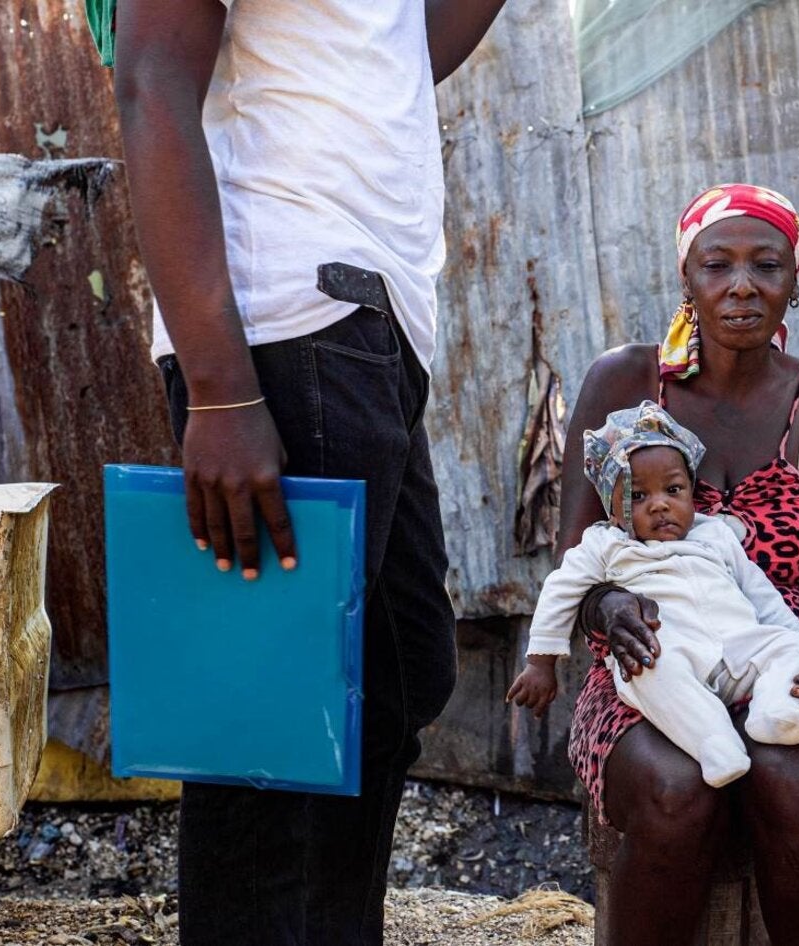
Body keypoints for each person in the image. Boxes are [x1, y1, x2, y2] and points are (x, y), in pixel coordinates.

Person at [113, 1, 508, 942]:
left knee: (403, 672)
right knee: (267, 725)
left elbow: (401, 57)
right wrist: (218, 389)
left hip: (371, 319)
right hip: (285, 323)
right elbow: (152, 80)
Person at [555, 183, 799, 946]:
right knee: (676, 788)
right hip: (649, 659)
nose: (741, 286)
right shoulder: (625, 383)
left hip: (779, 653)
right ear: (687, 280)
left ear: (794, 279)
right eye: (717, 266)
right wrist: (604, 607)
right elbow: (573, 552)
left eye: (766, 265)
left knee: (794, 779)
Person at [508, 401, 799, 787]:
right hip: (669, 651)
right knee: (644, 672)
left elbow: (762, 595)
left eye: (673, 490)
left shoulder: (715, 534)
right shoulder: (604, 544)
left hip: (740, 647)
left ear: (691, 492)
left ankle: (774, 708)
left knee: (794, 646)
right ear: (613, 510)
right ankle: (714, 744)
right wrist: (541, 662)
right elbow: (560, 589)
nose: (659, 504)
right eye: (637, 497)